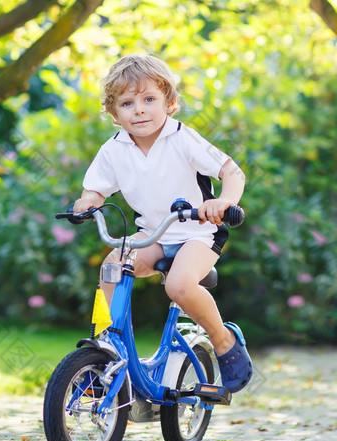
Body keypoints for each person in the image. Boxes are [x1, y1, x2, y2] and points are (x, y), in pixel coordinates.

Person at [73, 54, 252, 393]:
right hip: (153, 233)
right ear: (114, 114)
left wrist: (224, 201)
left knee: (180, 286)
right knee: (113, 265)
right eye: (127, 103)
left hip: (199, 232)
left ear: (170, 103)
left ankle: (222, 339)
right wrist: (88, 202)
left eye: (149, 99)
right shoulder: (114, 150)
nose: (138, 109)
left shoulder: (182, 138)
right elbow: (95, 188)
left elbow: (232, 171)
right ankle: (106, 347)